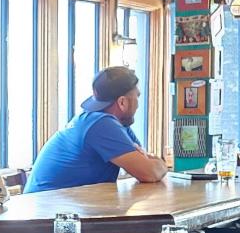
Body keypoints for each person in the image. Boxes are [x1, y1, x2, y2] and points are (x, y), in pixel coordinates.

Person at [24, 66, 169, 194]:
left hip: (60, 209)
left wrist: (151, 164)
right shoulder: (101, 124)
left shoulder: (111, 123)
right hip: (48, 215)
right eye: (137, 97)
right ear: (122, 102)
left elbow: (144, 161)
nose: (138, 104)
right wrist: (160, 164)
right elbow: (149, 173)